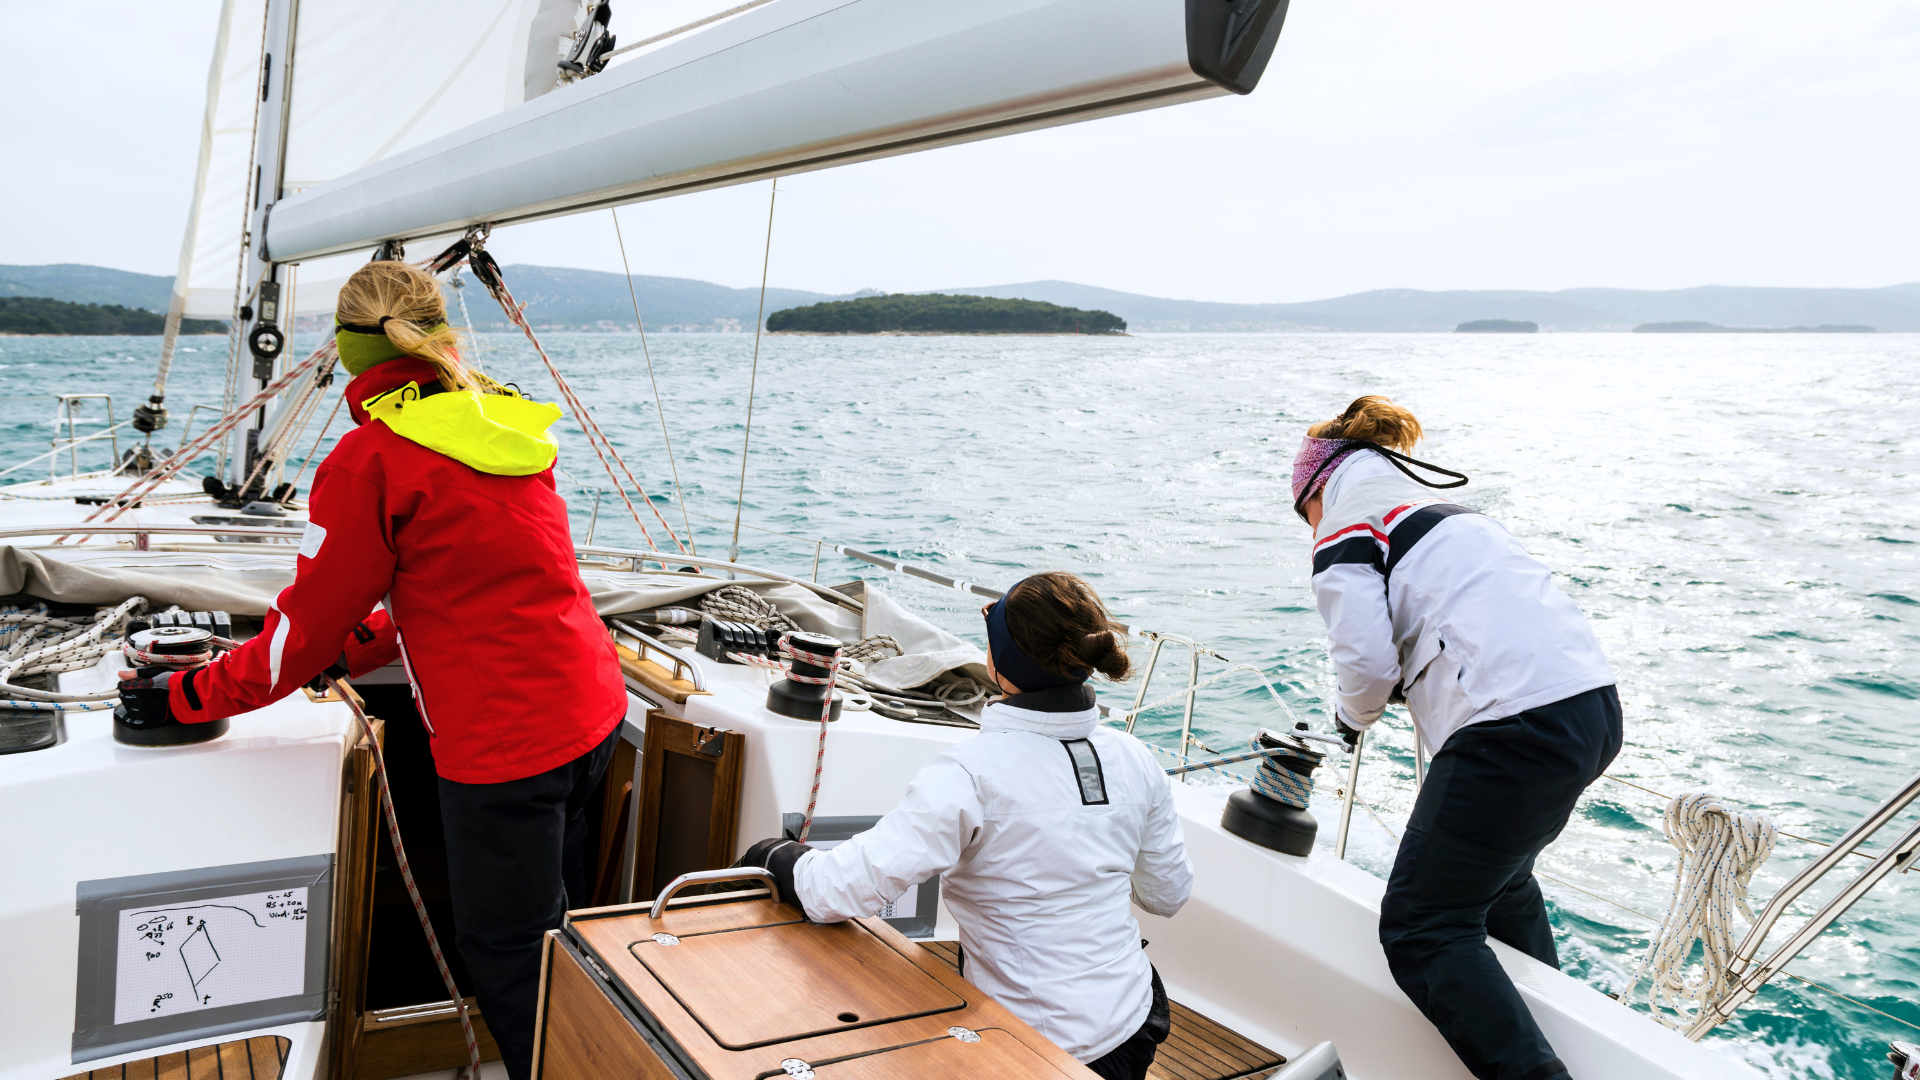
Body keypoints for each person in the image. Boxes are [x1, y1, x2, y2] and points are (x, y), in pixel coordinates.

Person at [116, 259, 628, 1080]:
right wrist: (360, 647)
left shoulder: (372, 458)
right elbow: (465, 585)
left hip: (508, 749)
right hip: (593, 714)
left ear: (350, 348)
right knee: (554, 935)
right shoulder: (502, 423)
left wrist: (183, 694)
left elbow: (301, 635)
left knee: (501, 951)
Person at [736, 572, 1192, 1080]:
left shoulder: (971, 773)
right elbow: (1167, 895)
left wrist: (773, 856)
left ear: (1002, 662)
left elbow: (842, 891)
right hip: (1136, 1022)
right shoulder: (1137, 757)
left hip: (1034, 1049)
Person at [1292, 396, 1621, 1080]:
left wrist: (1350, 723)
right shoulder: (1448, 517)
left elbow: (1366, 663)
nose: (1310, 529)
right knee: (1498, 885)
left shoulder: (1348, 523)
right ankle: (1564, 1027)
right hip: (1590, 709)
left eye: (1305, 515)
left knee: (1421, 926)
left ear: (1317, 489)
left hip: (1512, 726)